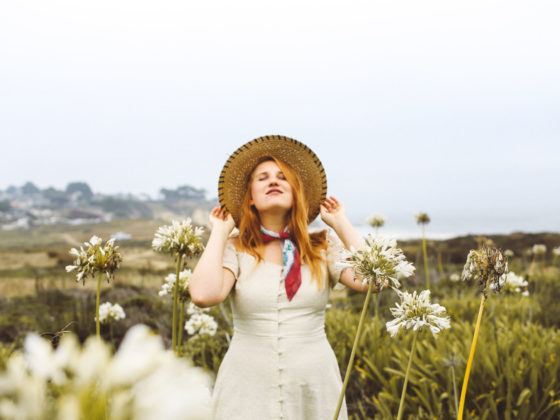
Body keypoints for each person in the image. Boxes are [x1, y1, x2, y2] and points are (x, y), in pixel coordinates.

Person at [189, 135, 377, 420]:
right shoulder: (236, 247)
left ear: (296, 192)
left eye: (282, 177)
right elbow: (204, 295)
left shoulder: (323, 245)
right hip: (245, 385)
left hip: (314, 383)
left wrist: (341, 224)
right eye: (262, 178)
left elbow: (373, 280)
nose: (273, 181)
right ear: (250, 197)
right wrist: (220, 231)